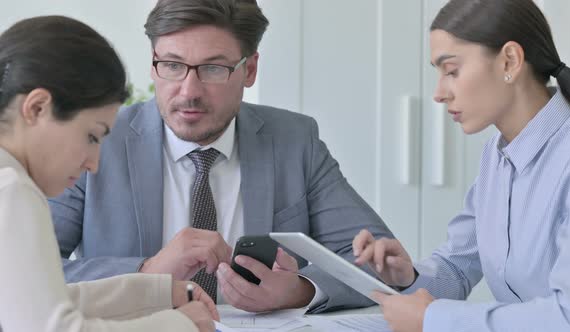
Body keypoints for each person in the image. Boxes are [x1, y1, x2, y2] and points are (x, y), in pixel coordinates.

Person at [49, 0, 393, 313]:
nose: (189, 91)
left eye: (213, 69)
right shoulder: (101, 140)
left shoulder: (294, 141)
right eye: (172, 65)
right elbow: (22, 269)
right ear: (153, 64)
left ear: (250, 69)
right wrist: (146, 273)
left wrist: (300, 290)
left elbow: (378, 260)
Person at [353, 0, 570, 331]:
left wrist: (434, 319)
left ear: (510, 60)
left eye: (451, 71)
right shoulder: (497, 154)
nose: (438, 93)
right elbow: (458, 267)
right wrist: (408, 275)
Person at [0, 15, 219, 332]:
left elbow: (43, 301)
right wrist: (179, 325)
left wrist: (154, 291)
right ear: (37, 109)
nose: (94, 163)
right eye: (91, 136)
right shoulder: (13, 190)